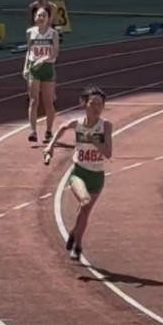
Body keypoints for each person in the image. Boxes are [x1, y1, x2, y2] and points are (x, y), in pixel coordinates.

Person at [42, 86, 112, 261]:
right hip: (79, 173)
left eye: (100, 104)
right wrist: (50, 147)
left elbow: (108, 153)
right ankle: (78, 246)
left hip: (97, 176)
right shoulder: (78, 123)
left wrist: (95, 142)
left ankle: (75, 236)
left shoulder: (105, 126)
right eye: (93, 103)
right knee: (85, 201)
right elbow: (62, 128)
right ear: (84, 104)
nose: (96, 108)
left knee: (85, 212)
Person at [22, 6, 59, 144]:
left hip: (47, 68)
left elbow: (55, 53)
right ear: (34, 18)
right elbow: (29, 50)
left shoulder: (53, 33)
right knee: (33, 100)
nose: (41, 18)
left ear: (48, 18)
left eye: (44, 16)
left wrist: (42, 60)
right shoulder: (30, 32)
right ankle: (32, 130)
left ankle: (49, 131)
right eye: (39, 15)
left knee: (48, 102)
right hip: (33, 69)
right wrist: (26, 67)